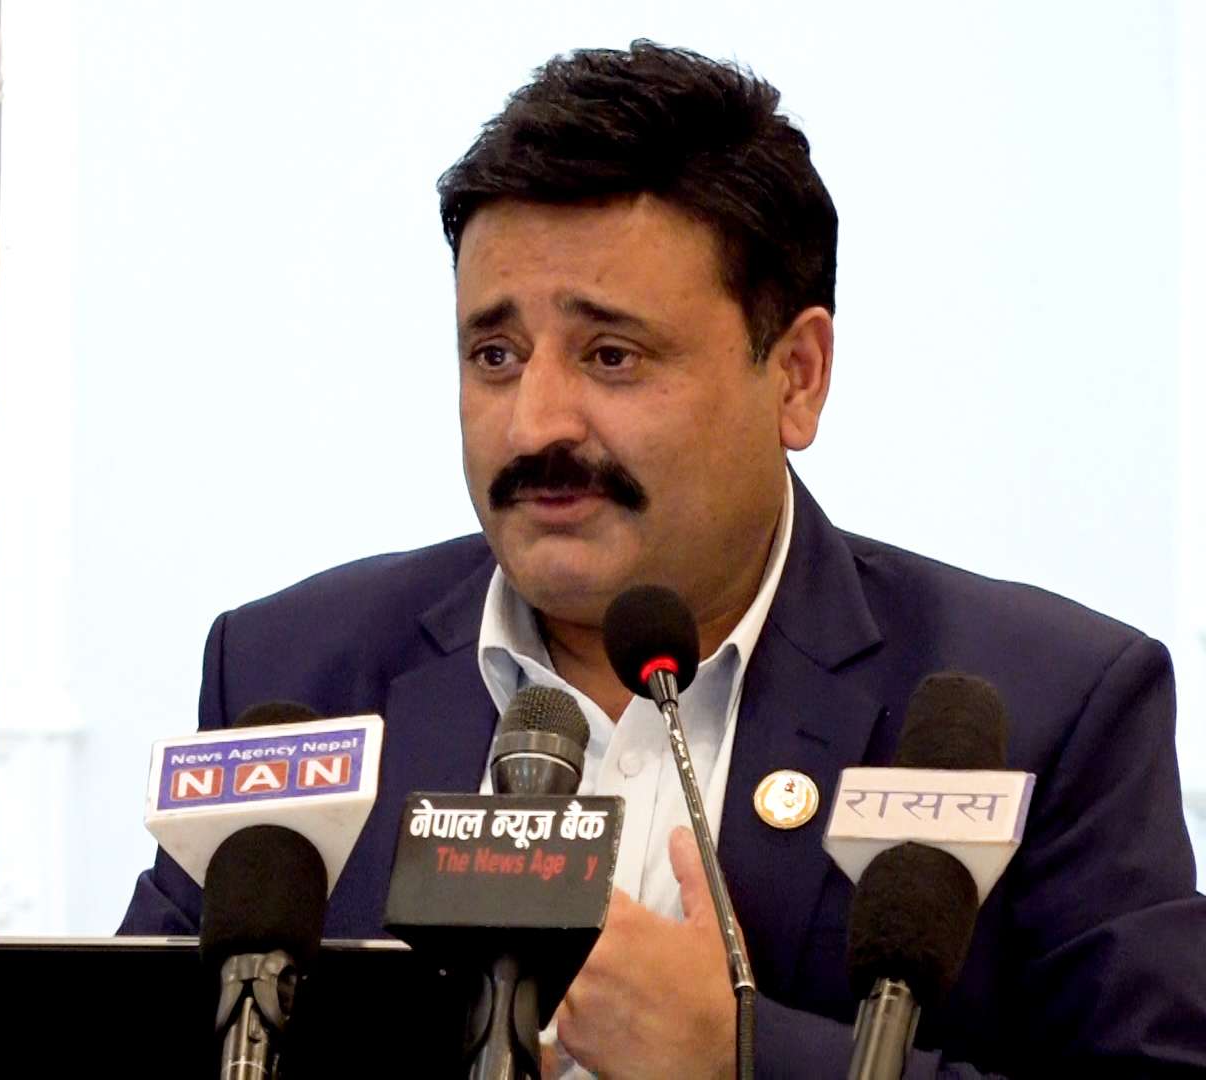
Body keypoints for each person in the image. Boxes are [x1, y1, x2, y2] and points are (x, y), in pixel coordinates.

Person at [117, 41, 1206, 1077]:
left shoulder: (1047, 708)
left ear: (796, 376)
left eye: (611, 355)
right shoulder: (296, 674)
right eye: (494, 354)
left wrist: (742, 1056)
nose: (535, 422)